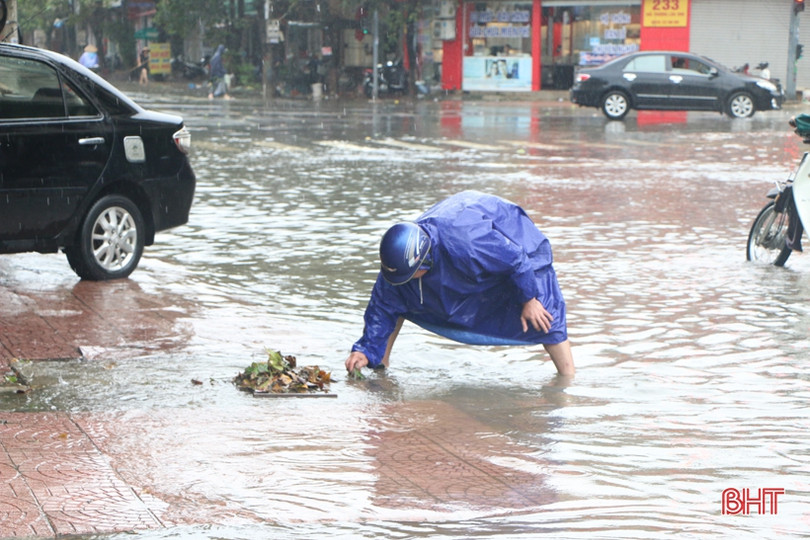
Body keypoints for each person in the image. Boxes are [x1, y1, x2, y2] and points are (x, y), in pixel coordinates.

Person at [345, 191, 575, 377]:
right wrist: (364, 350)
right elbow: (381, 306)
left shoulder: (470, 244)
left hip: (513, 238)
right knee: (396, 299)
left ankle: (567, 382)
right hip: (455, 245)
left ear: (423, 263)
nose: (401, 283)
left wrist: (529, 299)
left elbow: (517, 260)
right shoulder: (401, 258)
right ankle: (381, 368)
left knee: (544, 313)